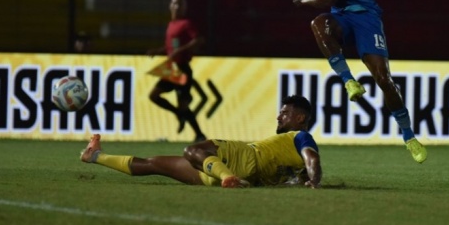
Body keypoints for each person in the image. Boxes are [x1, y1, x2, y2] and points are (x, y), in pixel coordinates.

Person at [292, 0, 427, 164]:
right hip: (341, 17)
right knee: (318, 25)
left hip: (365, 15)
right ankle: (349, 81)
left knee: (384, 79)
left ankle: (409, 136)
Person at [80, 95, 322, 189]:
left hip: (243, 156)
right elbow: (304, 168)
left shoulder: (300, 136)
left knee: (193, 149)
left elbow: (313, 158)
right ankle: (96, 156)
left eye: (285, 113)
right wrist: (307, 180)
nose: (279, 116)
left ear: (300, 118)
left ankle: (228, 177)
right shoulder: (292, 166)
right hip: (223, 174)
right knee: (154, 164)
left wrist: (313, 179)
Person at [146, 0, 206, 142]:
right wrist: (158, 51)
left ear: (184, 8)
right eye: (174, 3)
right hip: (172, 68)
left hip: (183, 68)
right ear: (170, 6)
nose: (176, 6)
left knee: (184, 105)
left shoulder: (186, 24)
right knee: (154, 95)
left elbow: (198, 40)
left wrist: (181, 51)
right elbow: (170, 48)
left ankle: (199, 134)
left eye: (180, 4)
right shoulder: (171, 24)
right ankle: (178, 114)